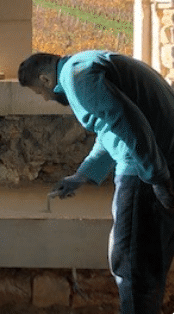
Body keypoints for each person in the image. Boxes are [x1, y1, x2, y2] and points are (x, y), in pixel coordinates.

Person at [18, 50, 174, 314]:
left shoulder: (77, 78)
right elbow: (111, 127)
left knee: (132, 264)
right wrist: (83, 175)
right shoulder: (87, 63)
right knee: (150, 262)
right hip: (163, 157)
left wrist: (157, 179)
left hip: (146, 169)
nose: (44, 98)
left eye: (38, 93)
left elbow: (129, 125)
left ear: (45, 80)